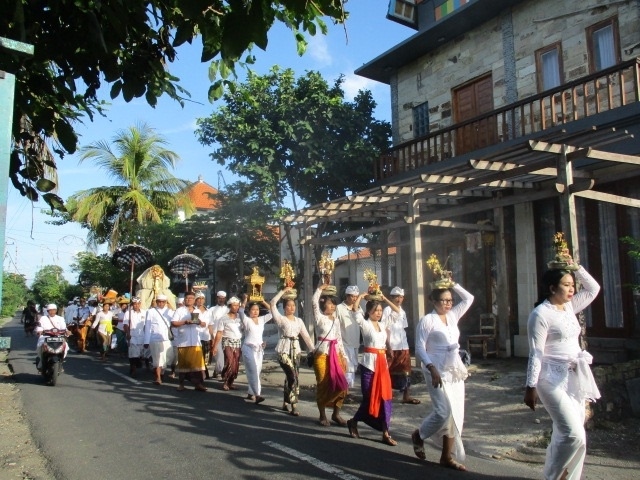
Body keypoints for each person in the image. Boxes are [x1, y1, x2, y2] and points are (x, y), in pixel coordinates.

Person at [524, 263, 601, 480]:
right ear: (551, 288)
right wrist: (530, 387)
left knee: (575, 436)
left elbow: (593, 289)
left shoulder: (569, 307)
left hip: (574, 378)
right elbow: (536, 353)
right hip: (550, 379)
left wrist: (576, 267)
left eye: (572, 285)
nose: (572, 289)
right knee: (573, 435)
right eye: (566, 285)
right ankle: (554, 476)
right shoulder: (540, 314)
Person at [412, 280, 474, 471]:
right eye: (444, 300)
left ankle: (446, 456)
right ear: (433, 301)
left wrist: (453, 283)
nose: (448, 304)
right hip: (435, 369)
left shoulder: (453, 316)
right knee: (442, 411)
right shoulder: (427, 320)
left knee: (455, 412)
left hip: (453, 370)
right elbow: (419, 347)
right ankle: (419, 435)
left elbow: (469, 298)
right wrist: (431, 367)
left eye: (450, 300)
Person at [346, 293, 400, 446]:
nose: (379, 313)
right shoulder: (365, 323)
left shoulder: (383, 325)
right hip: (369, 366)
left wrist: (385, 299)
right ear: (369, 311)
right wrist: (362, 295)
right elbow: (356, 309)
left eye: (380, 310)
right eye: (376, 310)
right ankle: (354, 421)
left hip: (382, 366)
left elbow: (398, 312)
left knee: (385, 398)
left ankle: (385, 432)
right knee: (369, 398)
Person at [270, 287, 315, 416]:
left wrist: (313, 350)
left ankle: (285, 403)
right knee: (293, 377)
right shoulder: (280, 319)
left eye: (293, 305)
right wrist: (283, 291)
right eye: (288, 306)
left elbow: (306, 336)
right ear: (284, 307)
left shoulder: (299, 321)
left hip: (296, 351)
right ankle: (294, 404)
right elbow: (273, 302)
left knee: (291, 376)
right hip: (283, 350)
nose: (291, 308)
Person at [311, 284, 349, 427]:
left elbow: (339, 339)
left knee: (342, 385)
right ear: (323, 305)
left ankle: (336, 414)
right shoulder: (319, 318)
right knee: (323, 384)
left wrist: (344, 357)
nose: (333, 307)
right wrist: (320, 289)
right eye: (330, 304)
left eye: (334, 304)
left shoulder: (336, 321)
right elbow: (314, 301)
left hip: (336, 354)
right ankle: (322, 415)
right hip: (321, 354)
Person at [382, 286, 419, 404]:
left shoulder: (402, 311)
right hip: (392, 345)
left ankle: (406, 395)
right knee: (387, 370)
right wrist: (388, 346)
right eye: (397, 297)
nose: (399, 299)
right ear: (392, 298)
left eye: (401, 297)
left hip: (403, 346)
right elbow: (385, 329)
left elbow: (403, 328)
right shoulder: (387, 310)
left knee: (406, 370)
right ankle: (386, 393)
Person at [171, 291, 208, 392]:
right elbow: (173, 323)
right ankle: (181, 384)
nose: (189, 300)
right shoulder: (179, 311)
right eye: (187, 298)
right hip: (183, 342)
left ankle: (198, 384)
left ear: (194, 300)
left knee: (197, 366)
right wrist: (185, 322)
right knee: (183, 365)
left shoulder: (198, 311)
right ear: (184, 299)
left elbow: (204, 324)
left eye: (191, 298)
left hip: (195, 341)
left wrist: (199, 322)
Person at [241, 299, 272, 403]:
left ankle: (251, 392)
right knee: (253, 370)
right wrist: (245, 300)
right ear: (249, 311)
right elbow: (241, 311)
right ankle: (257, 394)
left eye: (257, 309)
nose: (255, 311)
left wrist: (263, 301)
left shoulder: (262, 319)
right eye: (253, 309)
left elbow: (273, 312)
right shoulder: (246, 320)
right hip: (248, 348)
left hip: (259, 349)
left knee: (256, 372)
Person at [212, 296, 245, 391]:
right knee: (229, 362)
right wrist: (214, 346)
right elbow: (219, 333)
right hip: (227, 342)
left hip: (238, 342)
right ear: (230, 306)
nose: (236, 307)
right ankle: (226, 382)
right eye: (234, 305)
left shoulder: (240, 317)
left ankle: (231, 382)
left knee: (235, 364)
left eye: (237, 305)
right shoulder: (223, 318)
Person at [335, 285, 362, 395]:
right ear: (346, 296)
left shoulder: (359, 309)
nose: (354, 299)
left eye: (356, 297)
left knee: (353, 369)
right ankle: (343, 393)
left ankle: (346, 392)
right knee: (346, 370)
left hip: (355, 344)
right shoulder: (339, 308)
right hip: (344, 344)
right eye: (352, 296)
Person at [143, 294, 174, 385]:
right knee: (157, 359)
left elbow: (174, 322)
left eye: (163, 302)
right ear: (156, 302)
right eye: (159, 301)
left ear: (165, 302)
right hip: (154, 339)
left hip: (166, 339)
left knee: (167, 358)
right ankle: (158, 378)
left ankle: (162, 373)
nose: (161, 303)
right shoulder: (151, 311)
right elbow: (148, 327)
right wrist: (146, 341)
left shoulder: (170, 311)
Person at [35, 304, 68, 370]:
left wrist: (67, 331)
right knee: (39, 345)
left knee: (66, 346)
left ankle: (60, 362)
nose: (52, 312)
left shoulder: (60, 318)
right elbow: (39, 327)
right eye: (50, 310)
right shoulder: (43, 318)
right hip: (45, 336)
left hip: (58, 337)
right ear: (47, 311)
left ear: (56, 311)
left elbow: (64, 328)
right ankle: (41, 361)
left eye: (54, 310)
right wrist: (39, 331)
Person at [123, 297, 147, 377]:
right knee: (133, 354)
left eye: (138, 304)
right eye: (135, 304)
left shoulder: (144, 313)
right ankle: (133, 368)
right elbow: (125, 324)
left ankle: (136, 364)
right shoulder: (128, 313)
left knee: (139, 354)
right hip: (132, 336)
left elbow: (147, 325)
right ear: (132, 304)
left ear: (140, 304)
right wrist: (128, 332)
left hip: (142, 336)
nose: (136, 306)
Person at [207, 291, 228, 379]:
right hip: (216, 336)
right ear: (217, 298)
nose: (221, 300)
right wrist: (212, 337)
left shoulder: (229, 309)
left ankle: (217, 371)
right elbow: (210, 324)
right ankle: (219, 371)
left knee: (226, 357)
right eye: (220, 298)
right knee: (219, 356)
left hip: (227, 336)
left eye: (223, 298)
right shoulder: (211, 310)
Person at [194, 291, 212, 379]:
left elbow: (210, 325)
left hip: (206, 336)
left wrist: (212, 336)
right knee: (198, 356)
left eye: (202, 299)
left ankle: (204, 371)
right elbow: (194, 321)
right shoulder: (194, 310)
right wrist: (200, 322)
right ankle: (200, 373)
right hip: (196, 337)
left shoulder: (208, 311)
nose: (200, 301)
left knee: (206, 356)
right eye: (198, 299)